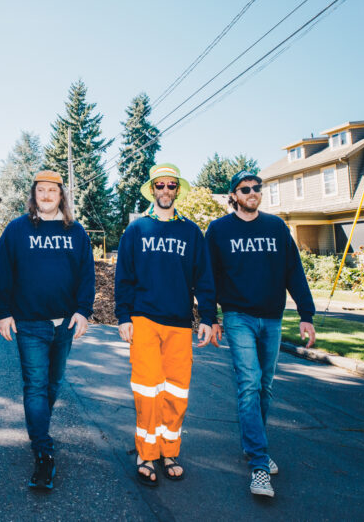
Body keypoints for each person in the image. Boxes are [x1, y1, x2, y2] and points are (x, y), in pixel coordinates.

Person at [204, 170, 316, 499]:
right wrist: (210, 318)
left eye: (256, 187)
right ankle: (258, 464)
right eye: (245, 189)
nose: (252, 192)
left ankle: (255, 445)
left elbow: (294, 271)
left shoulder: (276, 227)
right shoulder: (219, 230)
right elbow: (209, 277)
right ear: (233, 195)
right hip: (238, 316)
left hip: (272, 318)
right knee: (249, 383)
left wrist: (306, 315)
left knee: (264, 386)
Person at [114, 163, 215, 488]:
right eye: (160, 185)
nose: (166, 190)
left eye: (172, 185)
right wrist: (123, 316)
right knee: (147, 391)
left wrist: (208, 317)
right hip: (143, 319)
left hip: (179, 324)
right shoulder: (137, 230)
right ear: (152, 189)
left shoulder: (191, 232)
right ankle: (146, 454)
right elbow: (124, 277)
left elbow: (204, 278)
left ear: (178, 190)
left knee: (176, 392)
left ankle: (168, 452)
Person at [0, 169, 95, 490]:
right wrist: (2, 313)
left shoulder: (76, 232)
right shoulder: (17, 229)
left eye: (53, 190)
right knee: (36, 386)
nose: (47, 195)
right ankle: (43, 451)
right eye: (41, 190)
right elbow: (2, 272)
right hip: (30, 323)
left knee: (53, 384)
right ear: (34, 195)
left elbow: (86, 274)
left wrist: (83, 311)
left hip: (65, 323)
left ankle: (38, 428)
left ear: (61, 195)